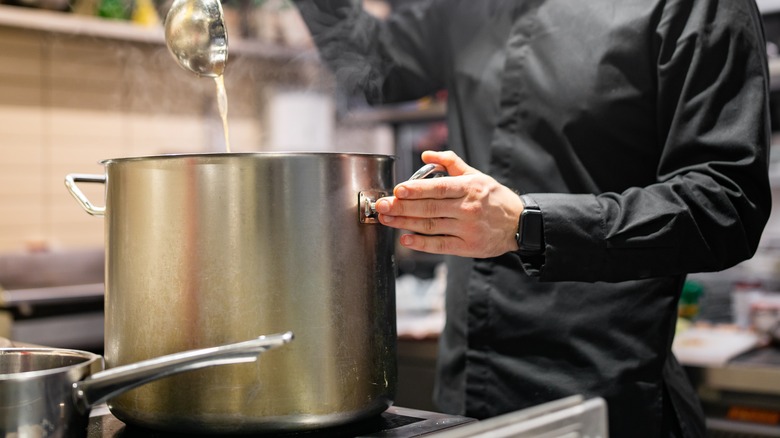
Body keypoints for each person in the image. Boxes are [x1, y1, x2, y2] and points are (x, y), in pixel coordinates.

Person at [293, 0, 772, 436]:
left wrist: (528, 223)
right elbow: (374, 63)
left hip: (606, 394)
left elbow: (726, 203)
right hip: (467, 396)